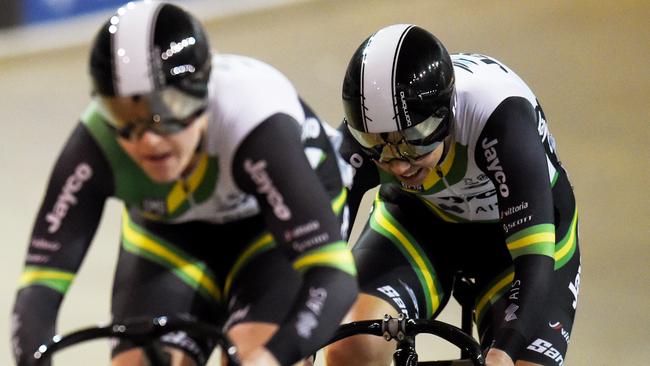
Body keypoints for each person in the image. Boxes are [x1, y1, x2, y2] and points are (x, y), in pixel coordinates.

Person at [10, 1, 359, 365]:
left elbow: (334, 277)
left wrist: (272, 358)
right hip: (171, 235)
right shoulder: (95, 143)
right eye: (122, 116)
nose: (148, 140)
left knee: (250, 354)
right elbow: (38, 288)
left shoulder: (252, 121)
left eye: (167, 110)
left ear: (203, 91)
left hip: (271, 233)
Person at [324, 24, 581, 366]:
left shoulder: (498, 117)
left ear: (446, 116)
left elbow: (533, 258)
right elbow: (317, 251)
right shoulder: (364, 138)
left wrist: (504, 349)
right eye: (377, 145)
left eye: (414, 140)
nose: (399, 166)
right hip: (419, 224)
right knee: (350, 348)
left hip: (508, 243)